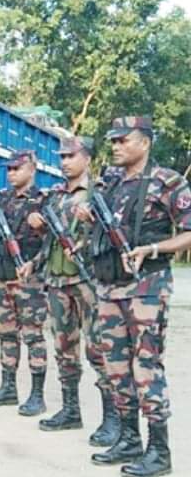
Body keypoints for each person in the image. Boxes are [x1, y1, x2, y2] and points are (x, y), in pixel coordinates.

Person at [75, 117, 191, 476]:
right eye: (113, 141)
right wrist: (85, 216)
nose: (116, 146)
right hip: (109, 287)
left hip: (147, 287)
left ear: (145, 143)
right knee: (115, 367)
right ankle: (128, 438)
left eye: (124, 140)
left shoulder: (167, 181)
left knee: (145, 367)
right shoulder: (109, 182)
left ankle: (159, 452)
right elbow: (99, 228)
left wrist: (153, 248)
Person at [20, 137, 118, 445]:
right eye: (62, 156)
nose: (65, 162)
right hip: (58, 281)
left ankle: (112, 420)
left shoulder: (101, 192)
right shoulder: (56, 196)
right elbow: (51, 242)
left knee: (99, 349)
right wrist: (34, 262)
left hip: (88, 282)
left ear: (87, 159)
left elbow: (112, 235)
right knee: (64, 347)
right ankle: (71, 410)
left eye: (71, 156)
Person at [0, 150, 48, 416]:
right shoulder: (4, 199)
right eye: (9, 169)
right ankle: (8, 388)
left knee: (32, 335)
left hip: (27, 277)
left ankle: (37, 395)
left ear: (32, 169)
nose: (11, 173)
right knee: (6, 332)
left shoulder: (42, 200)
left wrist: (35, 266)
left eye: (17, 169)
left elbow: (50, 243)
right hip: (1, 273)